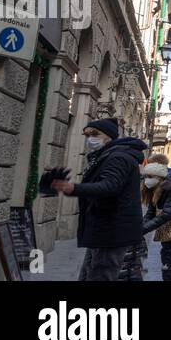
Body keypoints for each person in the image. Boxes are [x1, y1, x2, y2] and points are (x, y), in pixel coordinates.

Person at [51, 119, 147, 282]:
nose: (90, 139)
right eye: (87, 135)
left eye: (95, 134)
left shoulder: (118, 157)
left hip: (112, 230)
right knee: (92, 273)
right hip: (106, 228)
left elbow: (109, 186)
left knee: (102, 274)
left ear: (109, 136)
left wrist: (73, 188)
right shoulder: (108, 156)